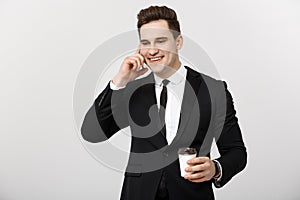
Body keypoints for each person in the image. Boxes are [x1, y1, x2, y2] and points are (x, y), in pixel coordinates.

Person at [81, 5, 247, 200]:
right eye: (145, 42)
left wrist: (215, 168)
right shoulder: (134, 91)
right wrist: (120, 80)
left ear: (178, 42)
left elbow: (236, 152)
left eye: (160, 41)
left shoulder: (214, 90)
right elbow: (92, 132)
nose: (152, 50)